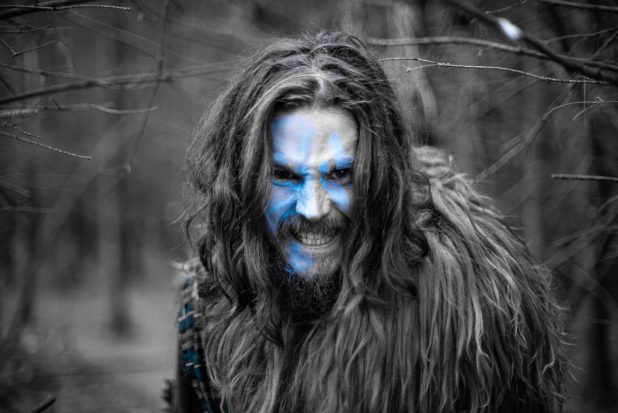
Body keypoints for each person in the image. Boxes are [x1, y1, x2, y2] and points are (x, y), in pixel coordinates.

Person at [167, 32, 565, 413]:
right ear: (242, 183)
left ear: (380, 178)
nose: (313, 208)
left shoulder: (470, 315)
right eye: (284, 176)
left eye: (341, 174)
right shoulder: (213, 306)